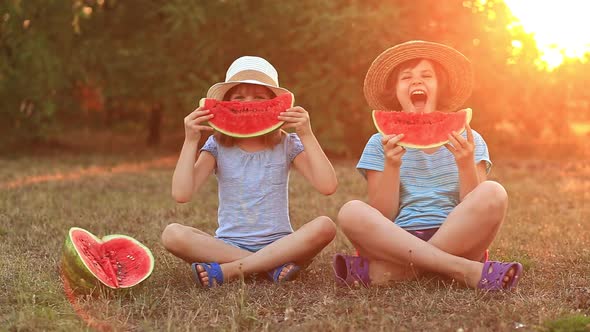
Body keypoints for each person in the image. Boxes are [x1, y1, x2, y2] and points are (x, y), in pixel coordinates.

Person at [332, 40, 522, 291]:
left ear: (440, 86)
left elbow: (474, 204)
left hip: (460, 237)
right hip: (397, 239)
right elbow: (384, 214)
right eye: (406, 77)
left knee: (494, 192)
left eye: (426, 75)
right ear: (395, 91)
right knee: (351, 211)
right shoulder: (380, 142)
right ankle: (461, 269)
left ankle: (391, 272)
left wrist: (465, 164)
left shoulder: (469, 138)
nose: (416, 82)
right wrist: (392, 165)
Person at [161, 56, 338, 288]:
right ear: (226, 104)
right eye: (239, 98)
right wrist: (190, 140)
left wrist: (307, 134)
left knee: (325, 226)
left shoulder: (287, 144)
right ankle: (270, 266)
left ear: (275, 104)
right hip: (228, 246)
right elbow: (181, 194)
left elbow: (327, 186)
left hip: (280, 243)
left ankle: (232, 270)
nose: (249, 104)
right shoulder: (217, 145)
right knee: (172, 234)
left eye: (259, 98)